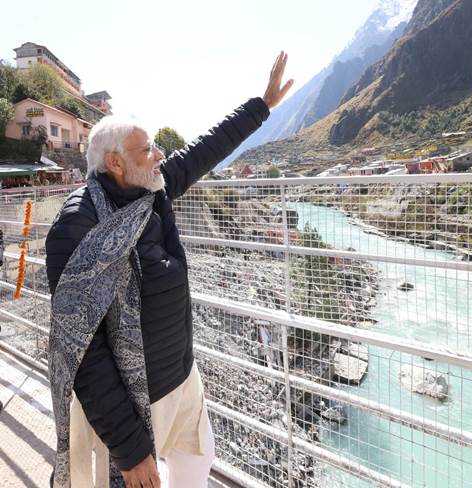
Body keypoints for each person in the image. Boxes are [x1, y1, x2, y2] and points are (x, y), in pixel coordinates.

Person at [45, 52, 293, 488]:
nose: (159, 154)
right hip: (134, 402)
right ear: (115, 163)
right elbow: (83, 352)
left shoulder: (151, 190)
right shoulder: (78, 226)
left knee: (197, 462)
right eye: (147, 149)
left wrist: (262, 106)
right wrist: (129, 449)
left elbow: (204, 150)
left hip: (181, 376)